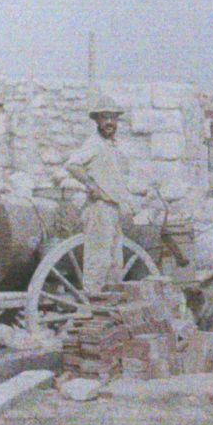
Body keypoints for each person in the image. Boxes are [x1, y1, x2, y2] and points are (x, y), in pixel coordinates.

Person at [65, 100, 133, 293]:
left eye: (113, 118)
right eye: (105, 118)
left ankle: (109, 307)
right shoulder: (93, 143)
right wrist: (90, 184)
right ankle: (92, 306)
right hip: (99, 208)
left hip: (113, 208)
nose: (109, 122)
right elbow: (72, 164)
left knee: (114, 263)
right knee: (98, 261)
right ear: (97, 121)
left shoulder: (111, 145)